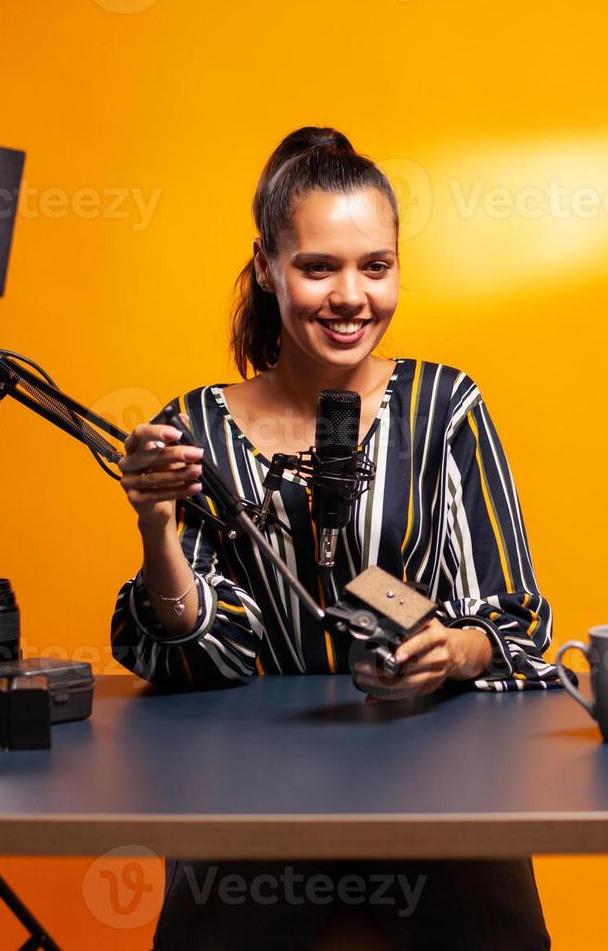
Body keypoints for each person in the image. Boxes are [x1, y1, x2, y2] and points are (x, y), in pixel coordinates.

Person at [110, 126, 556, 950]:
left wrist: (451, 651)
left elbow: (516, 618)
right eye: (319, 267)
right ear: (267, 267)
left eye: (375, 267)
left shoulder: (445, 406)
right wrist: (157, 529)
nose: (351, 296)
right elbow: (192, 652)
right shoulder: (193, 429)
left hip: (438, 782)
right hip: (251, 792)